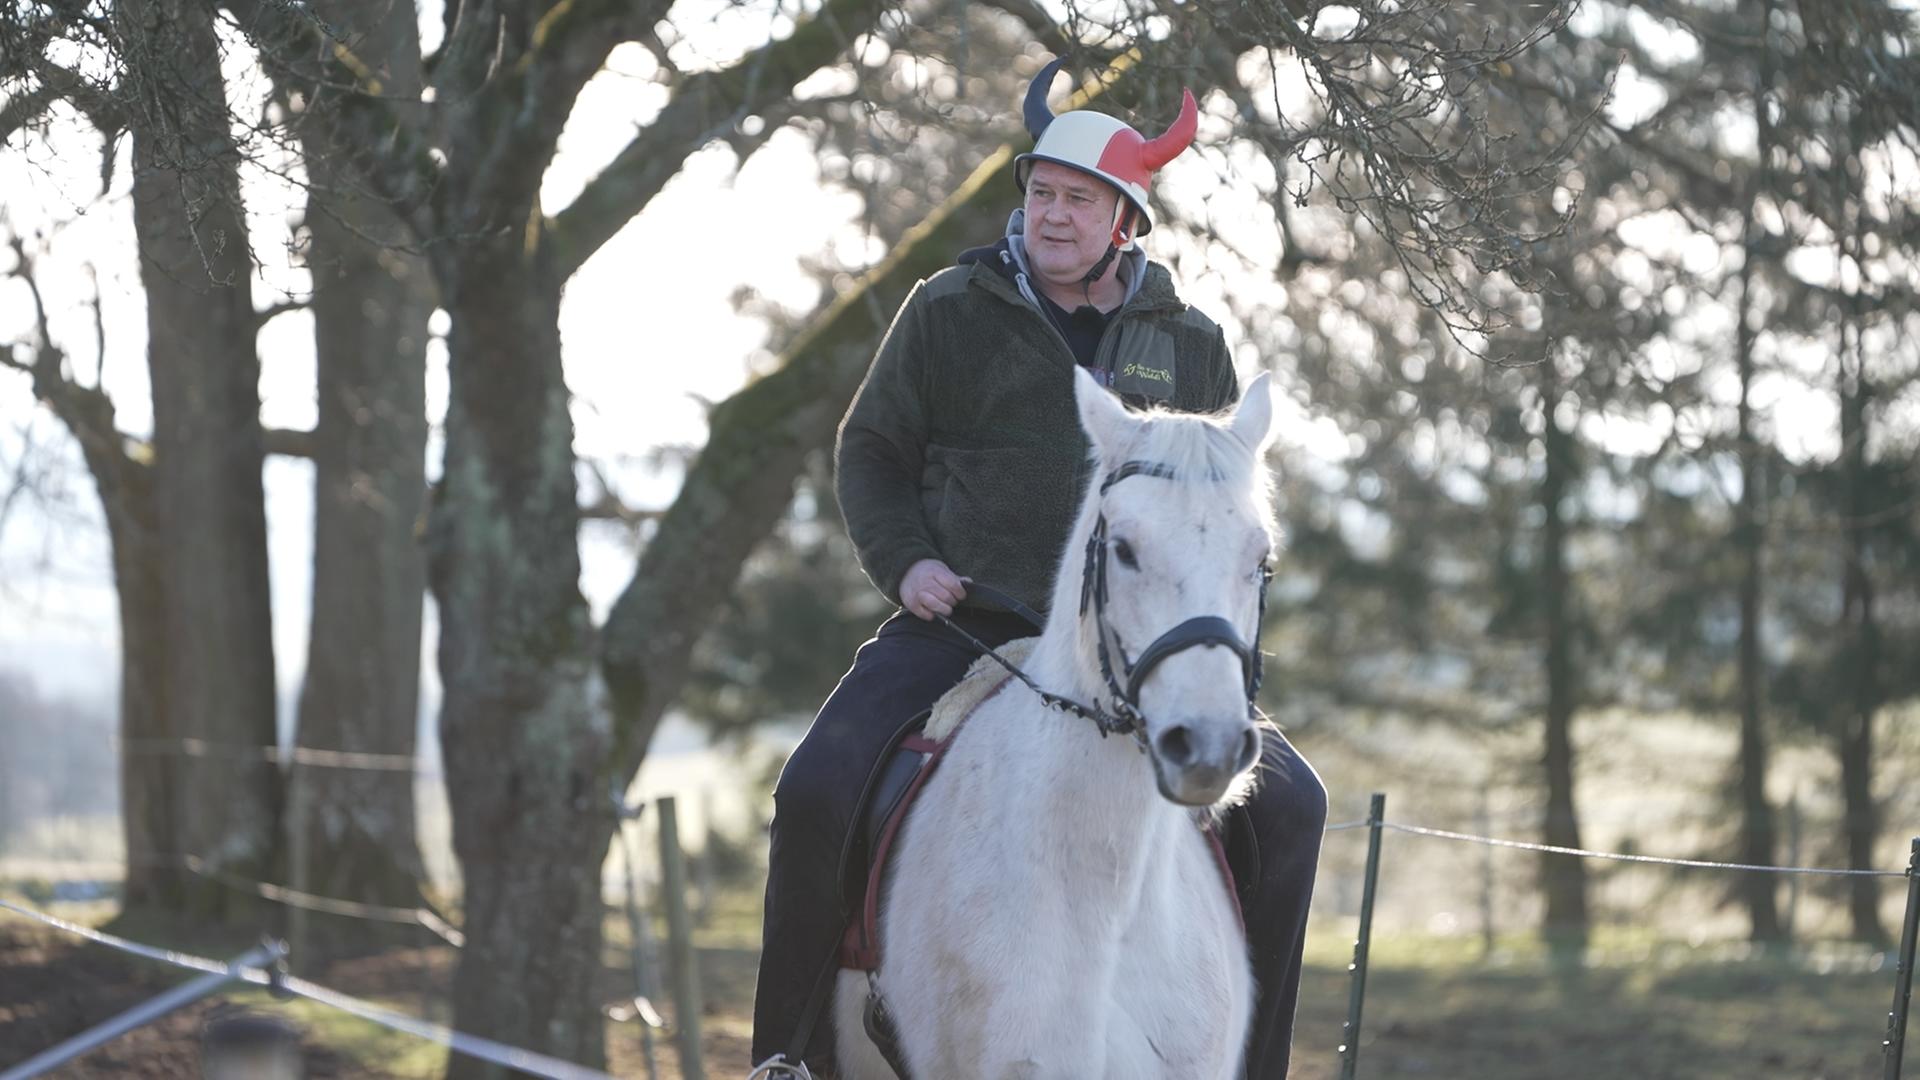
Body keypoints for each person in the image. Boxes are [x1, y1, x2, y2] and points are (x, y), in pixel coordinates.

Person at [750, 58, 1328, 1079]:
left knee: (1293, 806)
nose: (1055, 216)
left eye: (1082, 201)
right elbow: (870, 451)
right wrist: (907, 563)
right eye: (1044, 194)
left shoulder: (1189, 344)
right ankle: (783, 1060)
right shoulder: (948, 310)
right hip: (962, 624)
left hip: (1145, 651)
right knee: (816, 787)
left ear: (1126, 222)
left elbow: (1222, 512)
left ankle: (1258, 1064)